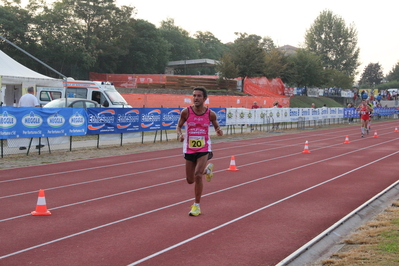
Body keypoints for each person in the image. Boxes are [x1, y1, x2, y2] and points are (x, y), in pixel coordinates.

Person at [176, 87, 223, 216]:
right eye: (194, 95)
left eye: (199, 96)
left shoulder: (210, 114)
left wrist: (218, 130)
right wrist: (180, 134)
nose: (196, 98)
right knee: (190, 180)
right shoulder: (186, 112)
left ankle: (197, 206)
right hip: (189, 148)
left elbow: (216, 125)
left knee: (197, 174)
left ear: (204, 98)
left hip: (204, 148)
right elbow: (179, 126)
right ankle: (207, 171)